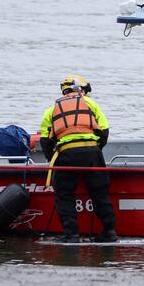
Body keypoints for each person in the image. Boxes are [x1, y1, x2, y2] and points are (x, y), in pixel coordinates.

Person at [39, 74, 116, 243]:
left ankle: (71, 234)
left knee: (64, 195)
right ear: (82, 90)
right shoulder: (91, 104)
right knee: (100, 193)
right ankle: (109, 232)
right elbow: (104, 130)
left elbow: (45, 140)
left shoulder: (51, 110)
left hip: (67, 154)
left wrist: (53, 159)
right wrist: (95, 150)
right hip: (92, 154)